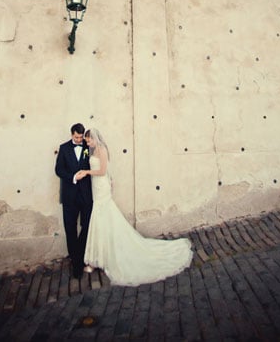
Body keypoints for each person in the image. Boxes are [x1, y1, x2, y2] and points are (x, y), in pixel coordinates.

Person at [74, 128, 193, 286]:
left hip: (101, 186)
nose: (88, 143)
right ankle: (100, 257)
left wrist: (86, 172)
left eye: (89, 140)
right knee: (100, 220)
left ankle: (106, 258)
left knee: (104, 217)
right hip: (95, 188)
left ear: (95, 138)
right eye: (87, 141)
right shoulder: (92, 150)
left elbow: (102, 171)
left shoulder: (102, 150)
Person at [54, 122, 93, 279]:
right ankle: (76, 263)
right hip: (69, 196)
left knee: (86, 225)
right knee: (70, 228)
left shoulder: (88, 146)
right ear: (72, 134)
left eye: (80, 137)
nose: (79, 140)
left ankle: (81, 254)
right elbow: (58, 170)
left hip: (85, 195)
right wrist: (73, 177)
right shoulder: (64, 148)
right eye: (76, 137)